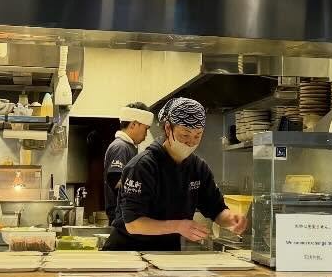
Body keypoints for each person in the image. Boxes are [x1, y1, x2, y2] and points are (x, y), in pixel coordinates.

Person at [104, 97, 247, 252]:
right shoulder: (142, 166)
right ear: (168, 129)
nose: (191, 142)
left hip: (167, 254)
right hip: (128, 253)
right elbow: (133, 224)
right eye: (185, 135)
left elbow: (217, 209)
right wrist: (178, 226)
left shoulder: (198, 168)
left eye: (197, 136)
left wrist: (231, 219)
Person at [103, 102, 152, 225]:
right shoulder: (121, 147)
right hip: (121, 216)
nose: (146, 135)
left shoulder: (129, 146)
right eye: (145, 129)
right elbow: (114, 179)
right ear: (134, 124)